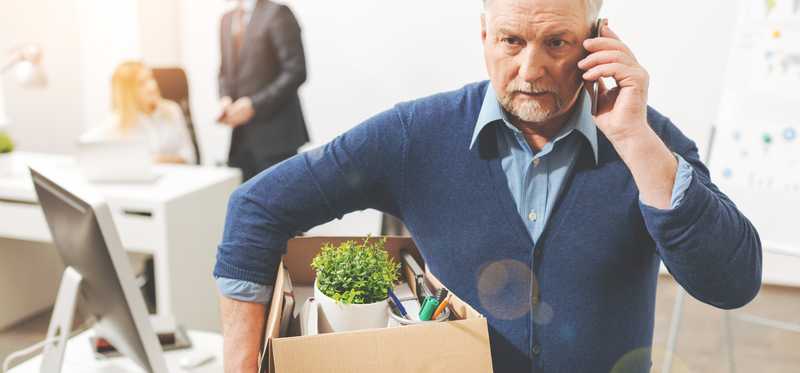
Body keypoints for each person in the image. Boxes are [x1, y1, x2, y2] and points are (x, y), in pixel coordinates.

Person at [213, 0, 763, 372]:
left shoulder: (646, 138)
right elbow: (257, 207)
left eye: (557, 43)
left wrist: (635, 142)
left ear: (597, 43)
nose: (530, 69)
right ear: (484, 36)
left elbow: (733, 282)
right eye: (511, 40)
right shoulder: (417, 135)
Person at [218, 0, 309, 181]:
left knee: (280, 203)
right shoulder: (226, 20)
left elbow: (296, 71)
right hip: (240, 139)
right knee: (243, 202)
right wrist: (225, 97)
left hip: (276, 138)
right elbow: (224, 71)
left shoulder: (278, 13)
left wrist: (254, 105)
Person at [84, 61, 196, 164]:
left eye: (151, 78)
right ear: (127, 92)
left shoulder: (172, 110)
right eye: (142, 83)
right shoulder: (119, 120)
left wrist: (161, 160)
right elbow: (87, 145)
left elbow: (190, 156)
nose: (152, 86)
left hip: (176, 179)